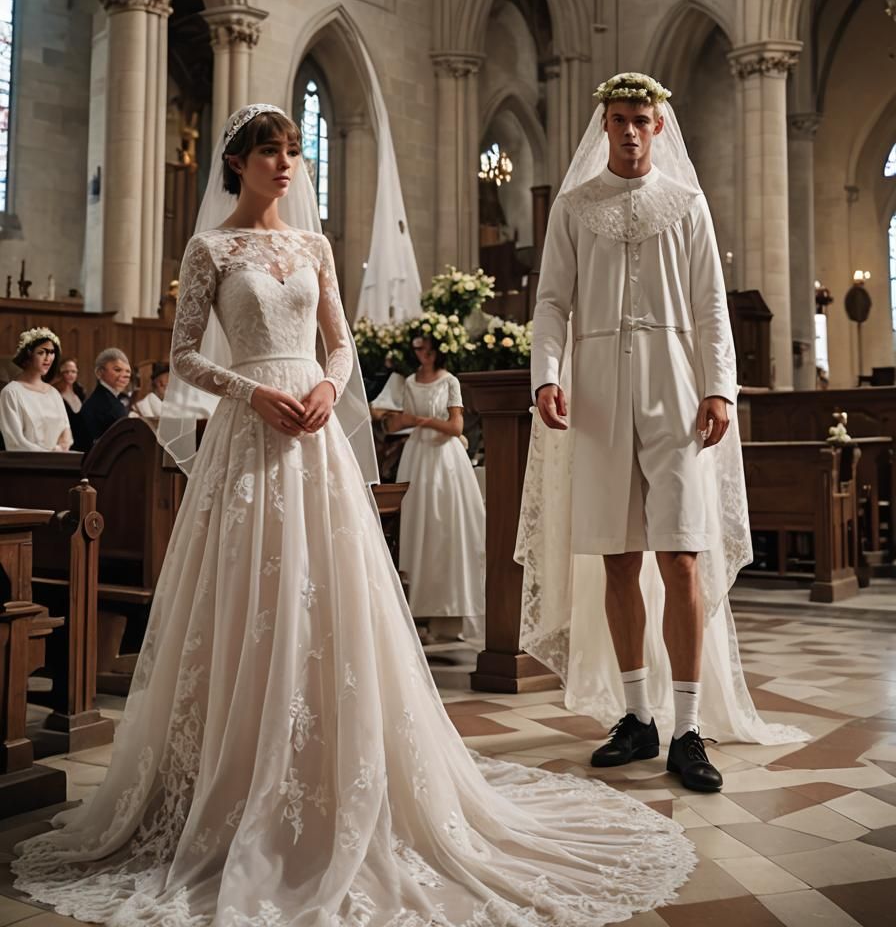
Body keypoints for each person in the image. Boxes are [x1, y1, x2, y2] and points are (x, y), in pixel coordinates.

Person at [13, 103, 697, 925]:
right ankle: (232, 781)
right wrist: (252, 392)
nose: (286, 163)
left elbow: (341, 344)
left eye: (293, 151)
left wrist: (328, 387)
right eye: (271, 151)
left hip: (313, 437)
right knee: (249, 599)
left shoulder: (314, 246)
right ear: (236, 163)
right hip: (248, 438)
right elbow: (185, 354)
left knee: (331, 595)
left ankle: (337, 770)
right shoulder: (210, 249)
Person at [516, 73, 806, 795]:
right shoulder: (574, 207)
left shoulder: (687, 205)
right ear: (604, 126)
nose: (629, 130)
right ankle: (638, 716)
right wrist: (545, 375)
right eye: (618, 119)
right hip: (596, 395)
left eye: (641, 119)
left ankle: (687, 729)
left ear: (659, 127)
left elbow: (712, 306)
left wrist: (718, 388)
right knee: (617, 559)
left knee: (680, 556)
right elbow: (551, 302)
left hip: (675, 391)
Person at [386, 333, 485, 642]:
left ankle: (450, 609)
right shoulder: (409, 381)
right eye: (418, 348)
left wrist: (421, 420)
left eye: (428, 348)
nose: (423, 353)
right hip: (417, 455)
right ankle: (417, 609)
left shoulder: (450, 381)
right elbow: (401, 420)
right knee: (418, 523)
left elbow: (456, 426)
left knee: (446, 525)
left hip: (445, 458)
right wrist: (401, 420)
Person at [0, 326, 72, 451]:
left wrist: (60, 449)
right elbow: (15, 441)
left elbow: (66, 432)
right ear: (28, 354)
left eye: (52, 352)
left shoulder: (54, 393)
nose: (48, 358)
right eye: (41, 352)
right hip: (28, 461)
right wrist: (48, 454)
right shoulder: (11, 393)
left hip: (58, 460)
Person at [78, 348, 131, 449]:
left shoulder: (113, 399)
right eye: (117, 370)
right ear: (99, 372)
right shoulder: (99, 403)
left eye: (127, 371)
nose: (125, 375)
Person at [54, 357, 87, 445]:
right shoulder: (55, 393)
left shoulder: (80, 392)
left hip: (83, 440)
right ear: (60, 373)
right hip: (67, 441)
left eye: (73, 371)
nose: (70, 374)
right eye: (66, 372)